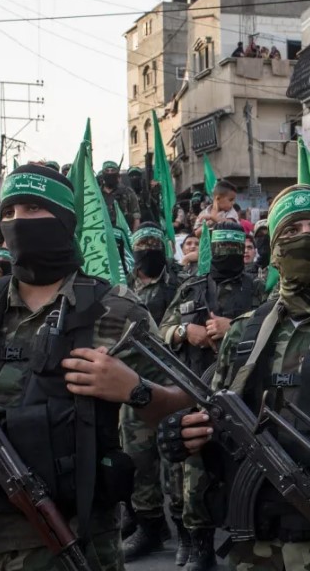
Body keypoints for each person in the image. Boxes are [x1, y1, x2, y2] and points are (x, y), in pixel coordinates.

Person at [0, 164, 192, 570]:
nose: (18, 221)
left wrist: (134, 389)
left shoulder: (116, 309)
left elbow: (182, 406)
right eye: (9, 212)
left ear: (65, 219)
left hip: (72, 543)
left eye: (34, 208)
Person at [167, 184, 310, 569]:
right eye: (291, 230)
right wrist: (185, 435)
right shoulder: (244, 334)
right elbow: (218, 424)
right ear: (274, 250)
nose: (305, 237)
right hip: (254, 547)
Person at [157, 221, 266, 571]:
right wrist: (183, 331)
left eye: (235, 247)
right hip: (195, 387)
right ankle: (198, 543)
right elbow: (161, 330)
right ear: (212, 248)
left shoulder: (258, 289)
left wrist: (234, 328)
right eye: (222, 247)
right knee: (192, 472)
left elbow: (276, 326)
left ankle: (244, 539)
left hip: (243, 393)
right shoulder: (191, 288)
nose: (228, 253)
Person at [120, 224, 182, 562]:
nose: (148, 248)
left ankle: (187, 530)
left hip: (174, 381)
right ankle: (149, 525)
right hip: (132, 381)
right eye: (142, 243)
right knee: (138, 458)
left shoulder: (179, 283)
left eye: (154, 243)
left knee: (177, 460)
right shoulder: (122, 285)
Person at [99, 161, 142, 232]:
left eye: (113, 170)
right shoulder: (97, 193)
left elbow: (136, 217)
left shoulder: (128, 192)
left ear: (117, 173)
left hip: (124, 233)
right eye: (107, 171)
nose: (110, 173)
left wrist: (134, 235)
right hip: (103, 233)